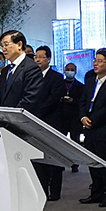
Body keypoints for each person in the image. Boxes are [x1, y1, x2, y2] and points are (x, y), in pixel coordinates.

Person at [79, 49, 106, 207]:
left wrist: (94, 119)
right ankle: (96, 193)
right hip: (89, 128)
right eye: (95, 61)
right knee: (92, 162)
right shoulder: (90, 80)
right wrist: (83, 117)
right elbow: (83, 101)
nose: (95, 64)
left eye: (99, 61)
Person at [34, 46, 67, 200]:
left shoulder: (56, 77)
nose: (38, 60)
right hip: (35, 122)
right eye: (36, 57)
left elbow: (54, 99)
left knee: (54, 157)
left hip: (51, 121)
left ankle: (55, 191)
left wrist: (37, 111)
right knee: (39, 158)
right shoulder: (32, 76)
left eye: (41, 57)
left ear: (48, 59)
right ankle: (42, 190)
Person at [0, 30, 42, 113]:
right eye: (2, 46)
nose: (3, 49)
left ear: (19, 45)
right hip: (4, 117)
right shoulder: (5, 70)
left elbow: (30, 99)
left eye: (6, 45)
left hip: (21, 118)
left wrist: (11, 115)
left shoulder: (31, 68)